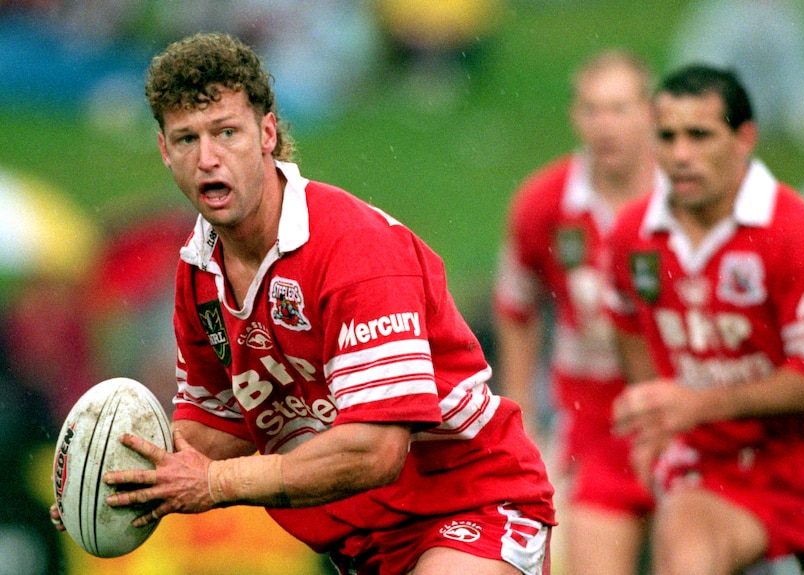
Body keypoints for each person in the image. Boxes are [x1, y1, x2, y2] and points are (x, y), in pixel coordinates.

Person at [50, 32, 555, 575]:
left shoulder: (353, 248)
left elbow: (375, 451)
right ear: (164, 151)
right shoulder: (198, 271)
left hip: (470, 505)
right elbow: (218, 422)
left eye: (227, 132)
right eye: (187, 139)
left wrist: (215, 484)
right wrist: (111, 476)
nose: (208, 158)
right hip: (362, 543)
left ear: (267, 133)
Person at [607, 63, 804, 575]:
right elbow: (628, 321)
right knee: (685, 559)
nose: (680, 155)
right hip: (712, 467)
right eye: (667, 136)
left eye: (700, 135)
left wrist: (698, 404)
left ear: (744, 137)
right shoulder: (632, 234)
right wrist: (656, 415)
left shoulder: (800, 232)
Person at [493, 50, 658, 575]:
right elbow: (516, 307)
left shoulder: (689, 193)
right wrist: (521, 420)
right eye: (592, 110)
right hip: (591, 417)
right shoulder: (545, 200)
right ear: (575, 116)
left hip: (685, 411)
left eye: (620, 109)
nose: (605, 126)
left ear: (651, 111)